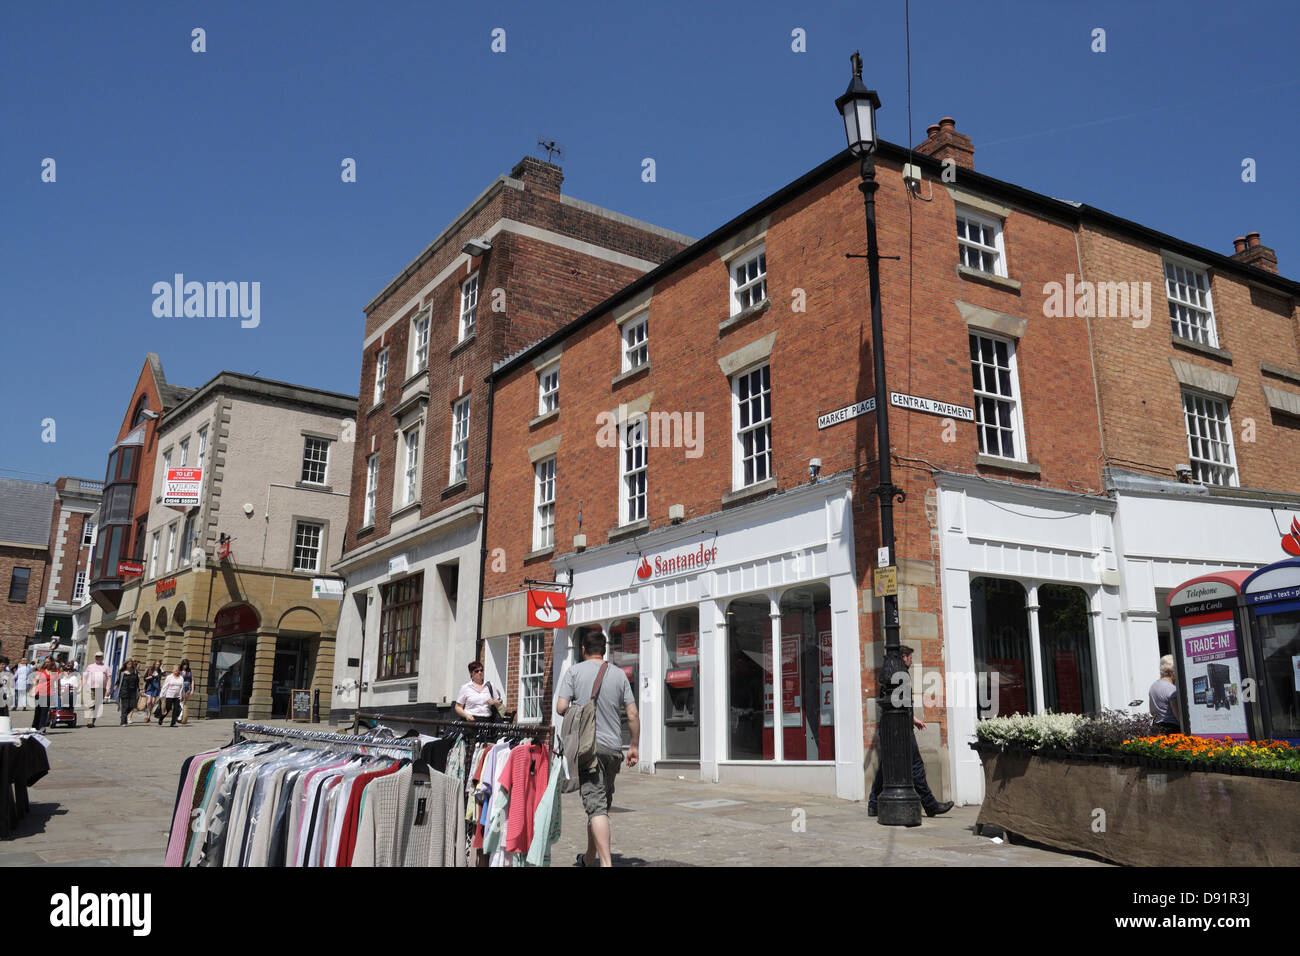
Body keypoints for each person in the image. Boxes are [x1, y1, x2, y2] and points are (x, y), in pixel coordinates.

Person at [555, 628, 639, 868]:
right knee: (599, 806)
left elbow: (561, 707)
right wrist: (633, 746)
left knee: (597, 808)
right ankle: (589, 859)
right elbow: (632, 713)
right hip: (613, 749)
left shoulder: (574, 672)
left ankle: (605, 863)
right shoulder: (619, 675)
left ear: (583, 650)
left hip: (588, 750)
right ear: (604, 650)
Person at [868, 645, 954, 819]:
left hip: (895, 727)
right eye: (910, 658)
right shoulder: (900, 673)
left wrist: (912, 719)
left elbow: (899, 702)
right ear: (904, 657)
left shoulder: (890, 672)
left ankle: (873, 805)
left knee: (887, 767)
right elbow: (898, 702)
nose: (911, 662)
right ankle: (930, 805)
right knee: (915, 766)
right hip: (900, 730)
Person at [1149, 654, 1180, 735]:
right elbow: (1177, 715)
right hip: (1171, 729)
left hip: (1156, 728)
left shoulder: (1153, 687)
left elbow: (1152, 712)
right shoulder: (1172, 689)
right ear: (1171, 672)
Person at [81, 652, 112, 728]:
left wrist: (108, 689)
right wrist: (81, 686)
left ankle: (92, 721)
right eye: (96, 657)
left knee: (97, 705)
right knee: (91, 704)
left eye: (99, 657)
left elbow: (109, 678)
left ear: (102, 658)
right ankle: (90, 721)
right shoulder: (90, 666)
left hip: (101, 688)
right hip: (91, 687)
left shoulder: (106, 667)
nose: (98, 658)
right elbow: (84, 677)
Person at [32, 659, 54, 732]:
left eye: (48, 662)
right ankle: (35, 726)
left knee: (44, 712)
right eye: (46, 662)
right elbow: (35, 681)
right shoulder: (41, 671)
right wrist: (33, 689)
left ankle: (42, 727)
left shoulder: (54, 672)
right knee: (38, 711)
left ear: (51, 662)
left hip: (48, 694)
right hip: (39, 693)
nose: (47, 663)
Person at [117, 661, 140, 726]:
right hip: (124, 691)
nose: (130, 665)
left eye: (131, 664)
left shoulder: (135, 672)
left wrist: (140, 690)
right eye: (129, 664)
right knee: (125, 706)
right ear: (126, 665)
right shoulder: (122, 673)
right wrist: (113, 690)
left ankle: (123, 717)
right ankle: (123, 722)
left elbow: (137, 682)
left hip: (133, 692)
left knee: (132, 706)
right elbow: (118, 682)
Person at [179, 659, 193, 724]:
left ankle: (181, 716)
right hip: (182, 686)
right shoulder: (180, 671)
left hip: (188, 686)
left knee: (184, 702)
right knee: (182, 701)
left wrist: (192, 689)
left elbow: (192, 680)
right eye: (184, 664)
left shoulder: (190, 671)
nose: (185, 666)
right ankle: (180, 716)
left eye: (187, 664)